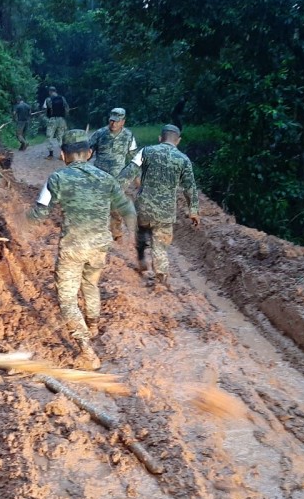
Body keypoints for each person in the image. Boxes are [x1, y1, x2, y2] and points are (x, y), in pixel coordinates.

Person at [28, 130, 136, 370]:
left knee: (67, 298)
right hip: (99, 246)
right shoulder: (107, 179)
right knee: (91, 284)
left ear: (63, 155)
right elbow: (125, 208)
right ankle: (93, 325)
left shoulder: (56, 178)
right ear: (88, 153)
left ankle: (87, 352)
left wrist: (19, 219)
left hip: (73, 248)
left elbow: (39, 213)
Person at [119, 124, 199, 287]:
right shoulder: (183, 160)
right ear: (178, 141)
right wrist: (194, 210)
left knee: (141, 233)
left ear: (160, 138)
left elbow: (128, 174)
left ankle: (141, 257)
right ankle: (161, 278)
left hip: (143, 208)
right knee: (160, 245)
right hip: (165, 212)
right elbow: (190, 187)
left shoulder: (146, 151)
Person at [89, 107, 138, 239]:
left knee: (115, 205)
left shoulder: (128, 135)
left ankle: (116, 231)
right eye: (111, 121)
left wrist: (137, 176)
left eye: (117, 121)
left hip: (118, 177)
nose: (113, 124)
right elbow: (88, 152)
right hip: (99, 175)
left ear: (123, 121)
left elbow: (134, 156)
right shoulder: (99, 133)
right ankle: (95, 230)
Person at [43, 86, 69, 159]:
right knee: (61, 136)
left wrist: (48, 116)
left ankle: (51, 155)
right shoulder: (62, 98)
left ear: (50, 92)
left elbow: (45, 109)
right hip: (61, 119)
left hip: (52, 120)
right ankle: (63, 154)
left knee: (49, 136)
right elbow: (67, 109)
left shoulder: (48, 99)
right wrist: (64, 117)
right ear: (56, 91)